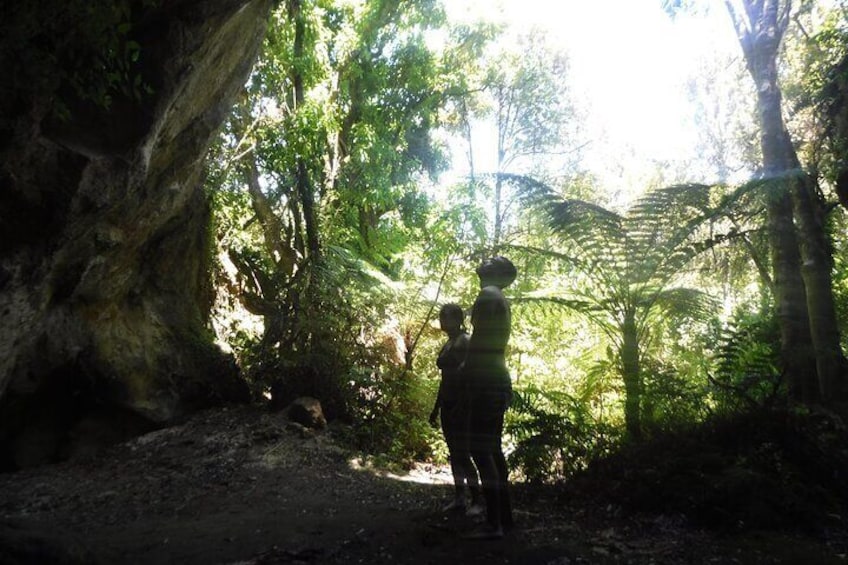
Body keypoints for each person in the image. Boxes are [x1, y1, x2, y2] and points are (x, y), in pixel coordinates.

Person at [463, 256, 516, 539]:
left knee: (480, 450)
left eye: (493, 261)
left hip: (485, 380)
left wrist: (467, 373)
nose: (486, 261)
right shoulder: (499, 298)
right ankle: (503, 518)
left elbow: (480, 341)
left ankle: (494, 524)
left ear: (499, 273)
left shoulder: (488, 294)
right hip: (496, 376)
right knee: (491, 448)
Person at [429, 303, 484, 515]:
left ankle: (477, 499)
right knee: (455, 452)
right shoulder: (450, 342)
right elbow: (445, 380)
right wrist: (436, 408)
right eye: (442, 318)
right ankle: (460, 497)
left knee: (463, 452)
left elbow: (470, 376)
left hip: (461, 404)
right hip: (448, 402)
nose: (442, 322)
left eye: (446, 318)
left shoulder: (465, 342)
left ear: (457, 319)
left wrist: (465, 404)